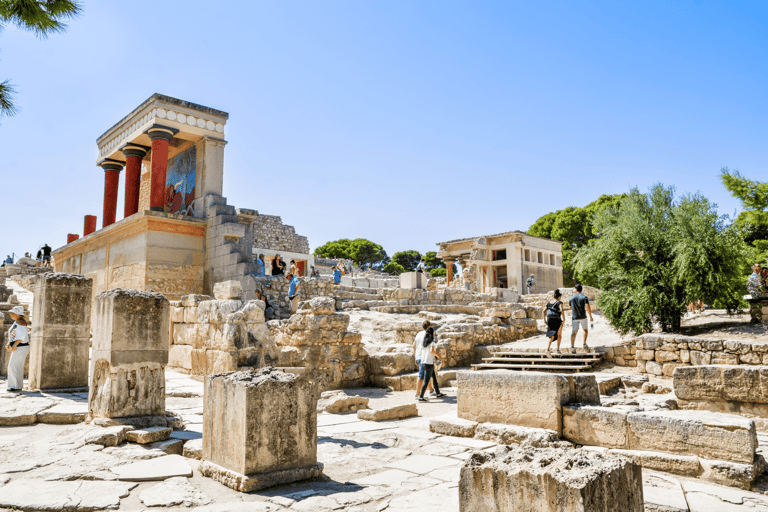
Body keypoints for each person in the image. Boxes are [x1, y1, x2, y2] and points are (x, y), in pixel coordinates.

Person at [418, 326, 446, 402]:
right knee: (426, 381)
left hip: (423, 363)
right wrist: (438, 357)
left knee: (434, 378)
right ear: (432, 333)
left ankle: (438, 393)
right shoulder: (432, 343)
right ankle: (421, 397)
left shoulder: (423, 344)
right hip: (429, 363)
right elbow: (432, 351)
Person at [6, 306, 30, 392]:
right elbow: (14, 334)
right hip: (19, 346)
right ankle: (16, 386)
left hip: (21, 347)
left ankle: (15, 386)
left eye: (13, 313)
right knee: (14, 366)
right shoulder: (18, 322)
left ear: (17, 314)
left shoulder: (21, 322)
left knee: (14, 366)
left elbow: (22, 336)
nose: (11, 314)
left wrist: (14, 345)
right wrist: (9, 343)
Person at [569, 283, 594, 351]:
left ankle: (572, 346)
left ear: (576, 289)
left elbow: (570, 308)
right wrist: (591, 316)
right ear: (581, 290)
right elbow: (587, 307)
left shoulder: (572, 298)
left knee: (574, 332)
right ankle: (584, 343)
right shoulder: (584, 297)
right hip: (583, 316)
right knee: (585, 330)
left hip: (575, 317)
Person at [413, 320, 435, 398]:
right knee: (421, 376)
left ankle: (431, 390)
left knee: (427, 374)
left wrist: (415, 357)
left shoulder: (418, 333)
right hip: (423, 357)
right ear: (429, 326)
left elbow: (414, 345)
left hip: (418, 356)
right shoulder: (427, 334)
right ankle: (417, 394)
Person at [544, 289, 565, 356]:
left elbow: (543, 311)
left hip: (549, 319)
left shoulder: (549, 303)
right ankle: (558, 350)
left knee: (552, 335)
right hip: (556, 320)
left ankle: (547, 349)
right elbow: (562, 310)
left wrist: (544, 320)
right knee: (559, 335)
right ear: (559, 297)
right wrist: (564, 319)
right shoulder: (559, 303)